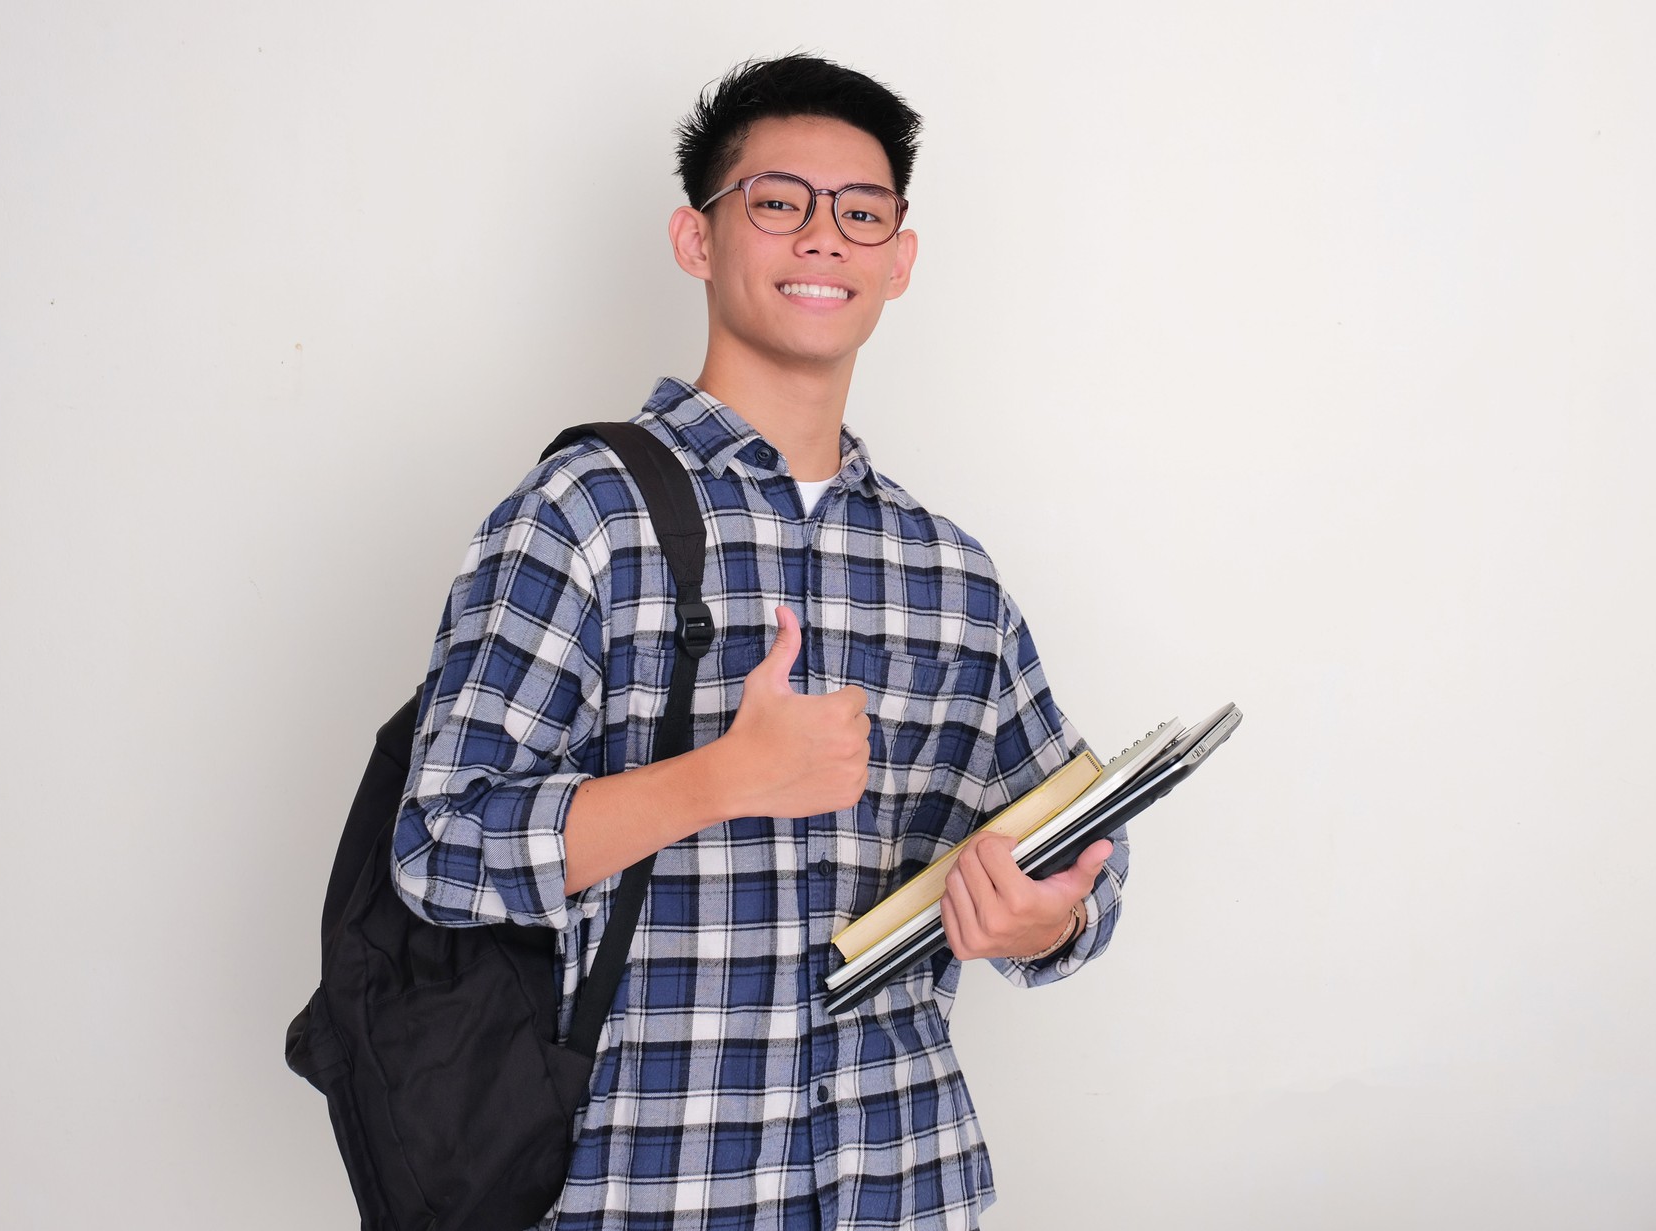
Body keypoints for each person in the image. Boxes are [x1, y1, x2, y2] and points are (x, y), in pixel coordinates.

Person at [391, 54, 1130, 1231]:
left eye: (862, 212)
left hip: (906, 1186)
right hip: (651, 1190)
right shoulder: (584, 516)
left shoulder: (950, 572)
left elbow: (1076, 838)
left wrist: (1052, 917)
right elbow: (440, 844)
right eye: (778, 202)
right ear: (698, 238)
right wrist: (722, 778)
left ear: (901, 258)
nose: (823, 238)